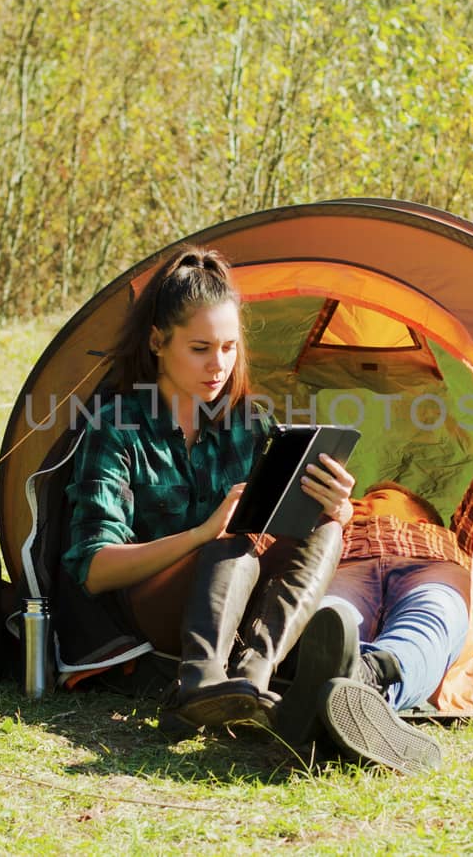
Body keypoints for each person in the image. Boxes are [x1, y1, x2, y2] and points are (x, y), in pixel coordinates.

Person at [61, 244, 355, 730]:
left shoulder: (249, 424)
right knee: (233, 538)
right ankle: (199, 683)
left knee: (325, 531)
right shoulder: (116, 427)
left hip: (239, 602)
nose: (217, 365)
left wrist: (333, 508)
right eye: (199, 349)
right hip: (149, 611)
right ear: (158, 342)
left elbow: (289, 529)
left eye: (228, 347)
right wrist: (201, 534)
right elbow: (93, 570)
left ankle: (252, 679)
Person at [277, 481, 471, 774]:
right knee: (330, 615)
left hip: (429, 566)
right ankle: (352, 694)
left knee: (431, 613)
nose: (357, 502)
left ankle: (368, 682)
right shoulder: (330, 528)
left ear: (422, 519)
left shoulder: (444, 537)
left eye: (377, 498)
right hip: (345, 566)